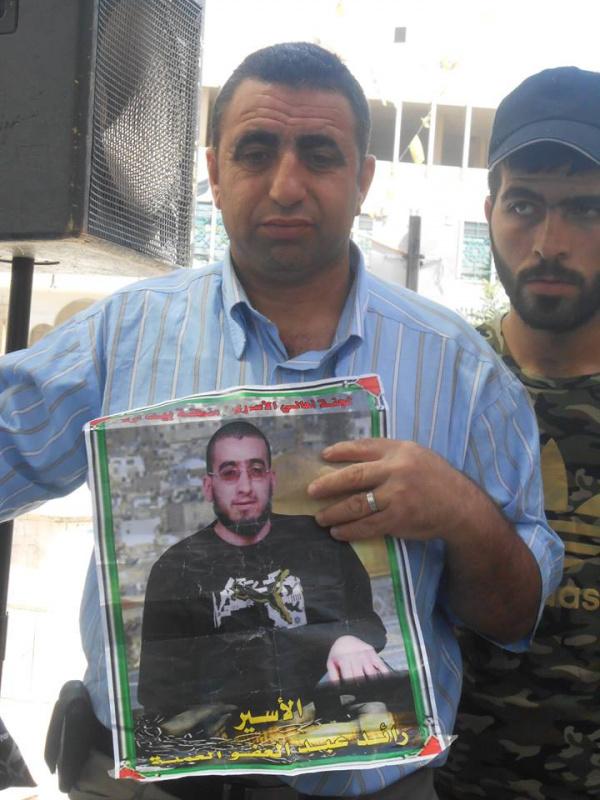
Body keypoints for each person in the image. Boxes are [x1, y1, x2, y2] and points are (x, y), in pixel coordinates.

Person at [0, 42, 563, 800]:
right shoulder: (120, 338)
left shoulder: (461, 371)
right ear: (213, 171)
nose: (286, 185)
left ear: (363, 180)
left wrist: (459, 513)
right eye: (256, 151)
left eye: (320, 156)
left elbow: (514, 615)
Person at [436, 66, 600, 800]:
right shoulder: (435, 383)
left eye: (586, 209)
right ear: (490, 211)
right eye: (524, 205)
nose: (550, 243)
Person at [138, 420, 389, 723]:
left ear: (272, 480)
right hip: (229, 736)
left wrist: (346, 638)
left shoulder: (321, 541)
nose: (245, 487)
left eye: (256, 470)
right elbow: (158, 691)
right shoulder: (174, 568)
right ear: (208, 486)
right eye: (229, 473)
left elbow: (369, 624)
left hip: (326, 718)